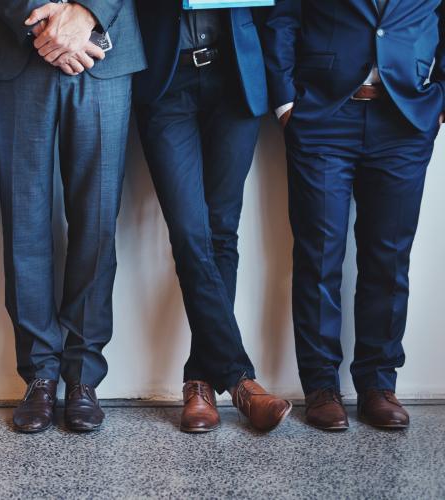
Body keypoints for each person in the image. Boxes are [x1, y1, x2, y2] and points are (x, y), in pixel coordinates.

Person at [263, 0, 444, 431]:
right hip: (324, 116)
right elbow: (283, 19)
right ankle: (321, 386)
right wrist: (286, 103)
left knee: (389, 257)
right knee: (318, 255)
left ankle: (378, 383)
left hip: (405, 121)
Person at [0, 0, 144, 433]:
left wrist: (87, 13)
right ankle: (39, 373)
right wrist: (42, 19)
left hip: (104, 52)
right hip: (16, 51)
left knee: (98, 222)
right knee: (24, 224)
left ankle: (83, 377)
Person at [133, 1, 292, 433]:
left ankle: (199, 383)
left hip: (236, 73)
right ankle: (241, 381)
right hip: (165, 77)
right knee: (189, 233)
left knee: (222, 233)